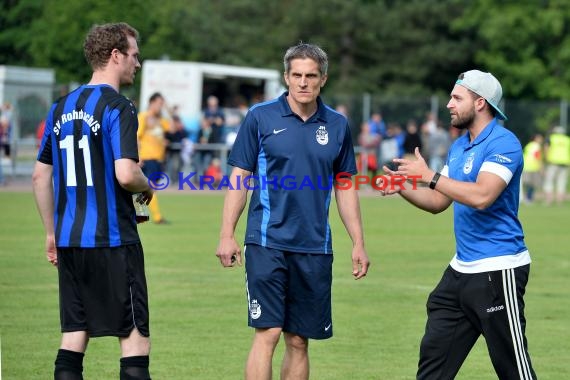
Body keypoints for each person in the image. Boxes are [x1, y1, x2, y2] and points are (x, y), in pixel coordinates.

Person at [216, 43, 370, 380]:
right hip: (267, 242)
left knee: (299, 340)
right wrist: (227, 234)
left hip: (315, 247)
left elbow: (345, 187)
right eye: (296, 75)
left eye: (310, 76)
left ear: (323, 79)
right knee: (268, 332)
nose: (303, 82)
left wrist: (358, 241)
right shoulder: (260, 117)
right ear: (286, 77)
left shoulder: (338, 125)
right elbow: (239, 178)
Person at [379, 70, 537, 379]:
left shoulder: (504, 143)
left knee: (514, 370)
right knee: (433, 364)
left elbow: (482, 196)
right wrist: (402, 186)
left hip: (497, 269)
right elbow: (439, 202)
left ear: (480, 103)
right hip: (460, 272)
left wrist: (430, 177)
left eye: (456, 98)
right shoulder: (460, 145)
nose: (449, 104)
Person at [32, 22, 154, 380]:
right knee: (133, 339)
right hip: (113, 240)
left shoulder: (59, 108)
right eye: (134, 55)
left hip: (70, 240)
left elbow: (41, 176)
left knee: (73, 336)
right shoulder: (119, 107)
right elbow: (126, 174)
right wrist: (148, 185)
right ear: (115, 55)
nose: (138, 64)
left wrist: (51, 233)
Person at [138, 92, 170, 224]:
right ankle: (157, 217)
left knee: (147, 189)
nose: (160, 106)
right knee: (150, 188)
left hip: (158, 159)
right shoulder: (144, 117)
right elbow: (137, 136)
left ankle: (138, 215)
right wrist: (138, 155)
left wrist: (168, 110)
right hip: (147, 157)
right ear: (151, 103)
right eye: (159, 104)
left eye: (162, 104)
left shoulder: (159, 119)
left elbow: (172, 129)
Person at [542, 126, 570, 205]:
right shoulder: (567, 139)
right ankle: (559, 201)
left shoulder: (551, 138)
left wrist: (546, 159)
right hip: (564, 163)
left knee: (549, 181)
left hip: (553, 162)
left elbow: (546, 148)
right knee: (561, 182)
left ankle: (549, 200)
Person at [522, 133, 544, 203]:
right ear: (536, 139)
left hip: (526, 166)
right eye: (540, 138)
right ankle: (529, 198)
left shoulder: (529, 145)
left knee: (527, 183)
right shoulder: (537, 146)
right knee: (532, 184)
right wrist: (541, 167)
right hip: (533, 167)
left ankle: (526, 197)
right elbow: (537, 157)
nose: (541, 140)